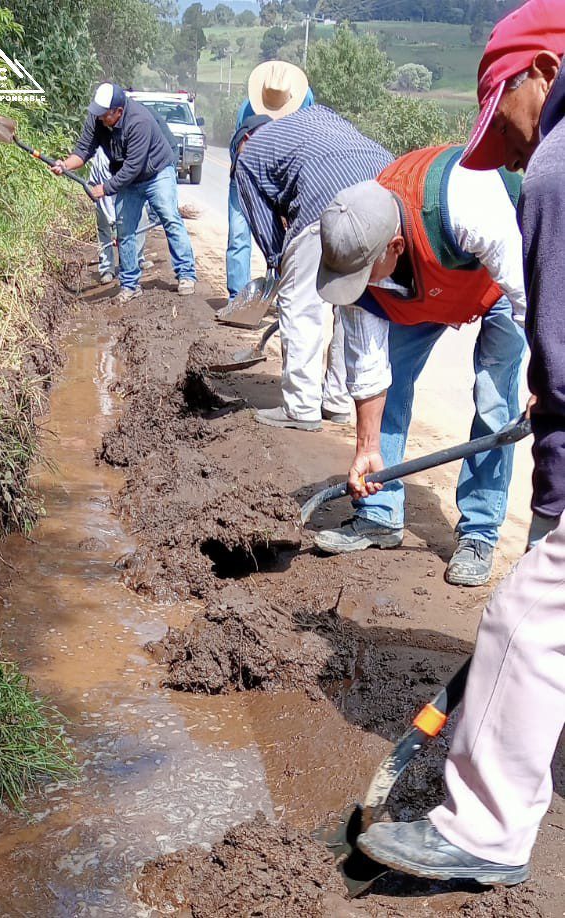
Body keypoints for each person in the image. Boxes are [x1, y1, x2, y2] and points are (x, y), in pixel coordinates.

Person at [352, 0, 565, 886]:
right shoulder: (367, 261)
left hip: (510, 313)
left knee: (529, 616)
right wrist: (368, 456)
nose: (510, 149)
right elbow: (370, 364)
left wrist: (550, 505)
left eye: (506, 121)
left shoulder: (525, 187)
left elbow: (545, 334)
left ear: (541, 73)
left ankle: (483, 831)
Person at [314, 144, 526, 586]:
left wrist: (550, 375)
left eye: (363, 275)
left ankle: (479, 532)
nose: (358, 286)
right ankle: (380, 512)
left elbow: (530, 298)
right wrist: (366, 448)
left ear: (394, 246)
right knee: (388, 382)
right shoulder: (357, 240)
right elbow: (369, 369)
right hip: (427, 291)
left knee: (493, 401)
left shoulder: (469, 204)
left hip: (502, 284)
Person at [232, 105, 393, 431]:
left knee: (300, 303)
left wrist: (280, 264)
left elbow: (265, 227)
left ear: (245, 140)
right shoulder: (316, 119)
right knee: (353, 304)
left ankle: (301, 406)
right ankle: (336, 401)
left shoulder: (249, 157)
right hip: (384, 193)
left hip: (330, 203)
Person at [51, 82, 196, 304]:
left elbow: (133, 167)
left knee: (169, 217)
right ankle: (130, 285)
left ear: (119, 111)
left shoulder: (140, 121)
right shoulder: (98, 116)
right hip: (127, 176)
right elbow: (83, 150)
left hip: (156, 171)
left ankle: (186, 274)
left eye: (104, 115)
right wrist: (66, 165)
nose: (100, 118)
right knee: (124, 227)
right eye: (98, 114)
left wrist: (105, 188)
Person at [226, 61, 314, 303]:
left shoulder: (306, 102)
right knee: (239, 234)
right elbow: (239, 154)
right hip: (247, 176)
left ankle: (282, 293)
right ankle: (237, 297)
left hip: (285, 178)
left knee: (288, 237)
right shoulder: (247, 111)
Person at [89, 148, 152, 285]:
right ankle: (107, 268)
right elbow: (108, 200)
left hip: (127, 188)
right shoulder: (104, 158)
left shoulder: (132, 150)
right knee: (104, 225)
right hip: (102, 192)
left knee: (142, 217)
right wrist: (114, 225)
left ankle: (136, 258)